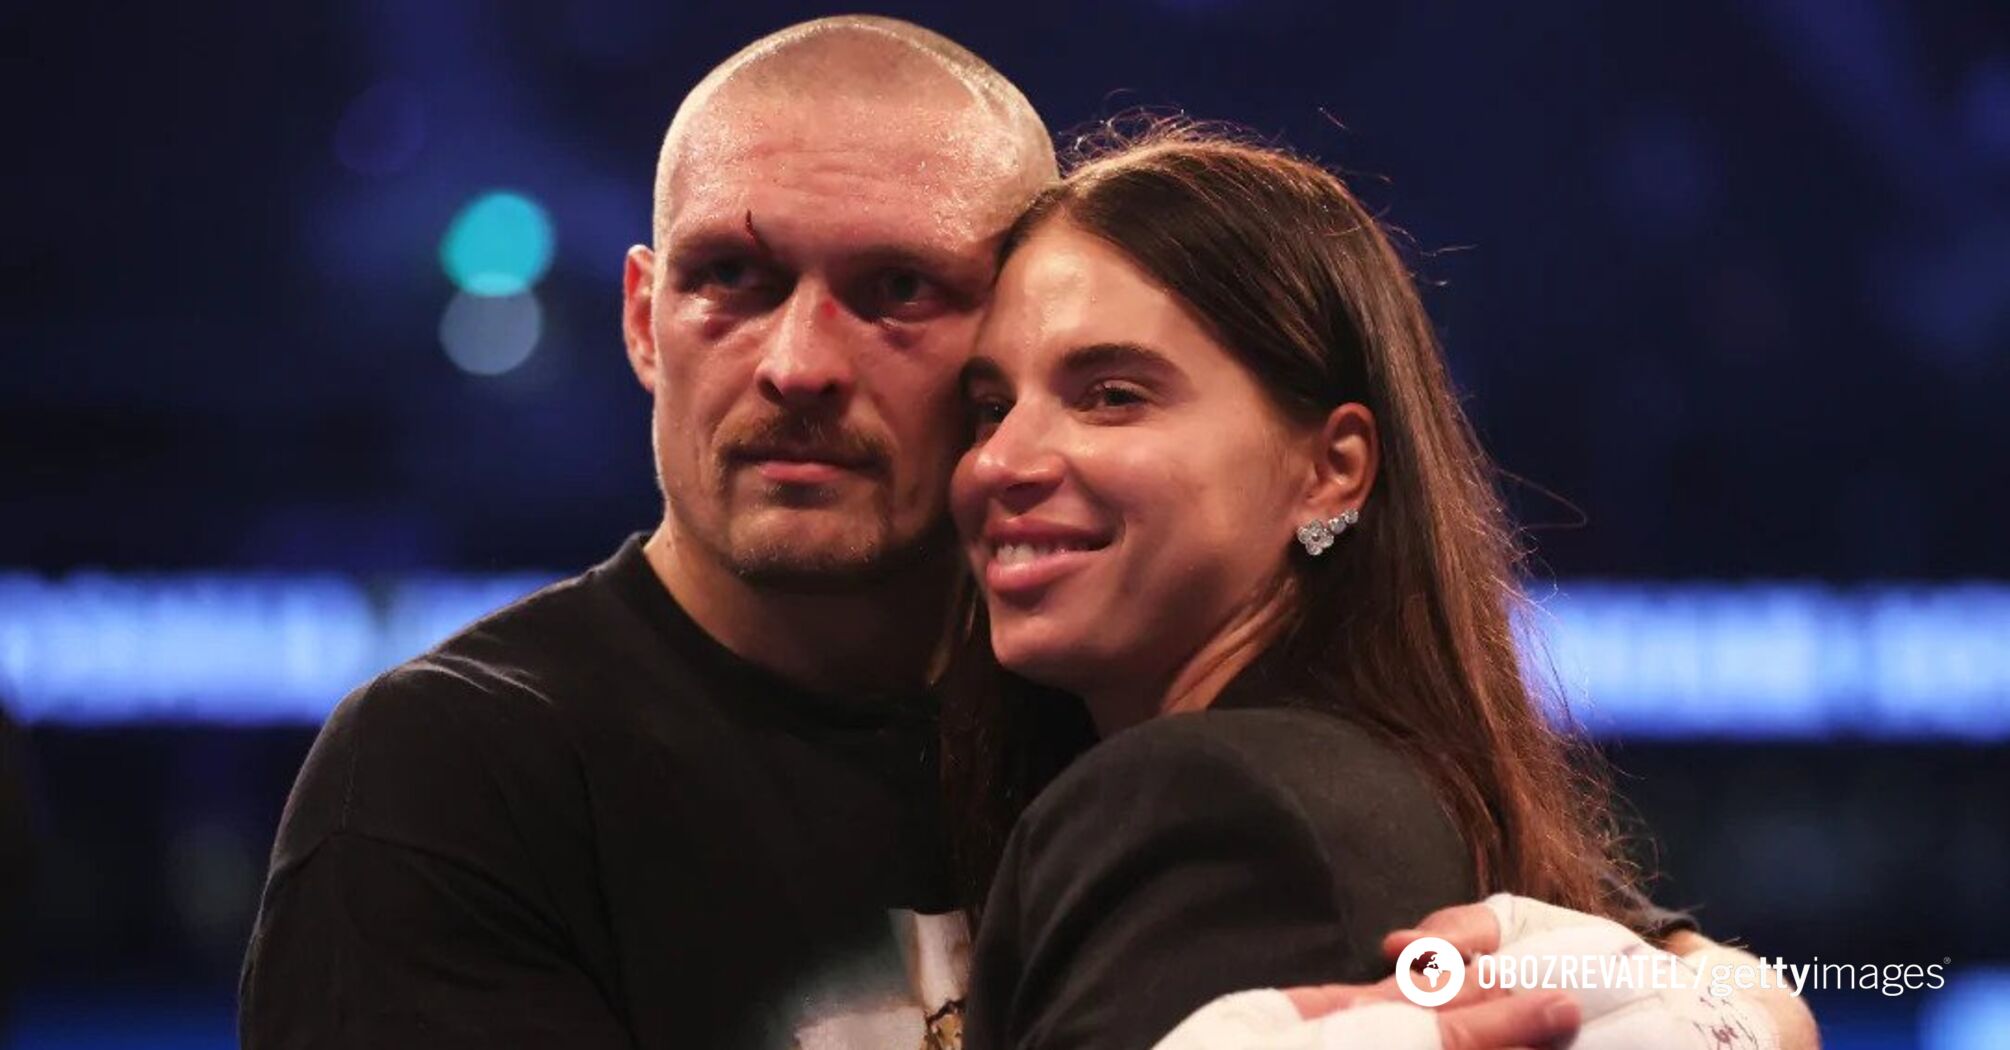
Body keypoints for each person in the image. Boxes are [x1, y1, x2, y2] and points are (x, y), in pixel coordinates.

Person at [239, 16, 1813, 1050]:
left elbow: (1570, 963)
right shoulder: (453, 770)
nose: (798, 361)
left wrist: (1717, 1000)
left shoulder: (1116, 714)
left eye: (896, 291)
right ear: (646, 319)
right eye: (733, 279)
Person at [946, 128, 1811, 1050]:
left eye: (1113, 395)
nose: (999, 461)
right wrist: (1751, 1008)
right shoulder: (1414, 790)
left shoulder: (1212, 803)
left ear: (1333, 470)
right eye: (992, 408)